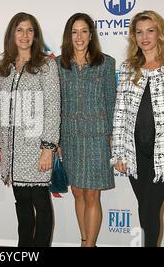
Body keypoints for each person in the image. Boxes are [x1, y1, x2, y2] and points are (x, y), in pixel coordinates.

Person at [111, 10, 164, 247]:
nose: (144, 37)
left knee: (149, 208)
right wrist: (118, 152)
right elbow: (119, 112)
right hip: (133, 152)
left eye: (150, 31)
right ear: (134, 37)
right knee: (144, 208)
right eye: (139, 32)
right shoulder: (129, 67)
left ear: (160, 34)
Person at [0, 12, 60, 247]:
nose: (24, 35)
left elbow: (53, 106)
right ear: (12, 34)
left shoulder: (46, 64)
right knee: (21, 202)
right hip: (12, 149)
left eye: (29, 30)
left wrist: (48, 147)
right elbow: (0, 111)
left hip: (36, 146)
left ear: (36, 35)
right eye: (19, 30)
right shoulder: (4, 67)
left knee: (40, 201)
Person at [56, 13, 116, 247]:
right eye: (74, 32)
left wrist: (112, 136)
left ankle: (90, 244)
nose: (79, 37)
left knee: (92, 194)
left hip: (97, 136)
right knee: (78, 191)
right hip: (69, 136)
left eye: (83, 31)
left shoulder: (106, 63)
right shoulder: (58, 65)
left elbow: (111, 101)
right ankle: (84, 239)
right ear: (68, 36)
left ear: (91, 35)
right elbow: (56, 103)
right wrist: (56, 137)